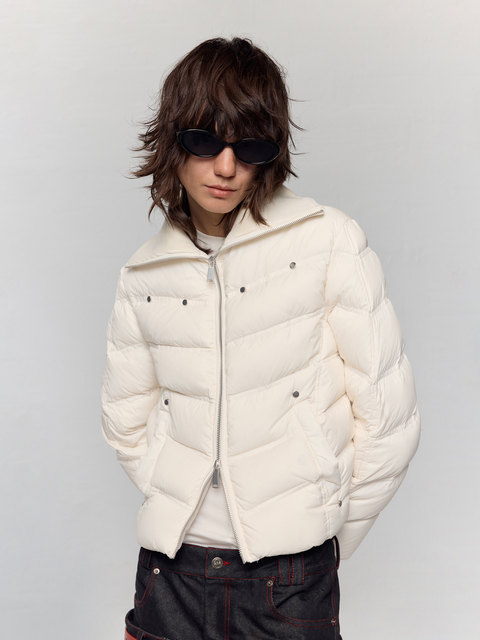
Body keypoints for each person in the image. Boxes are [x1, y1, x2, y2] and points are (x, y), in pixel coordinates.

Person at [101, 37, 420, 640]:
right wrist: (180, 501)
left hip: (292, 581)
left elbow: (390, 422)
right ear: (173, 140)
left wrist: (317, 535)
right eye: (204, 141)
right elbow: (126, 423)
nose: (226, 168)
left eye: (248, 147)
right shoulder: (144, 273)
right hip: (169, 576)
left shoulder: (328, 241)